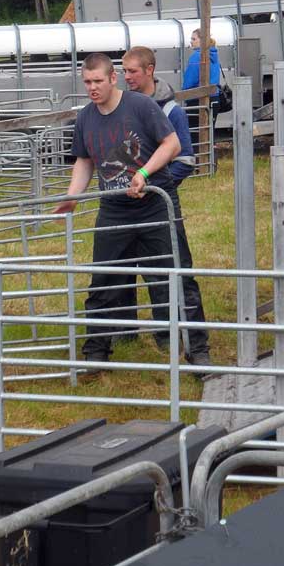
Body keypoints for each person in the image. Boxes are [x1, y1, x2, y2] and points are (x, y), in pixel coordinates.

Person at [54, 52, 181, 364]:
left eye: (98, 80)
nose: (92, 87)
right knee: (103, 281)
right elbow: (84, 161)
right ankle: (96, 354)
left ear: (113, 78)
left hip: (153, 204)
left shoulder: (141, 106)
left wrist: (143, 173)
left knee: (169, 276)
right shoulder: (85, 117)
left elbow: (172, 144)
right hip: (113, 209)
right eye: (87, 82)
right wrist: (72, 197)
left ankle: (185, 345)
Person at [121, 45, 210, 366]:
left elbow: (185, 158)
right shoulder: (123, 106)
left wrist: (157, 185)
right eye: (124, 71)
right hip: (125, 199)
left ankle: (169, 333)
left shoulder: (171, 110)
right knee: (121, 266)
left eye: (132, 71)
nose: (126, 77)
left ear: (149, 70)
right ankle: (123, 330)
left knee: (165, 265)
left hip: (157, 200)